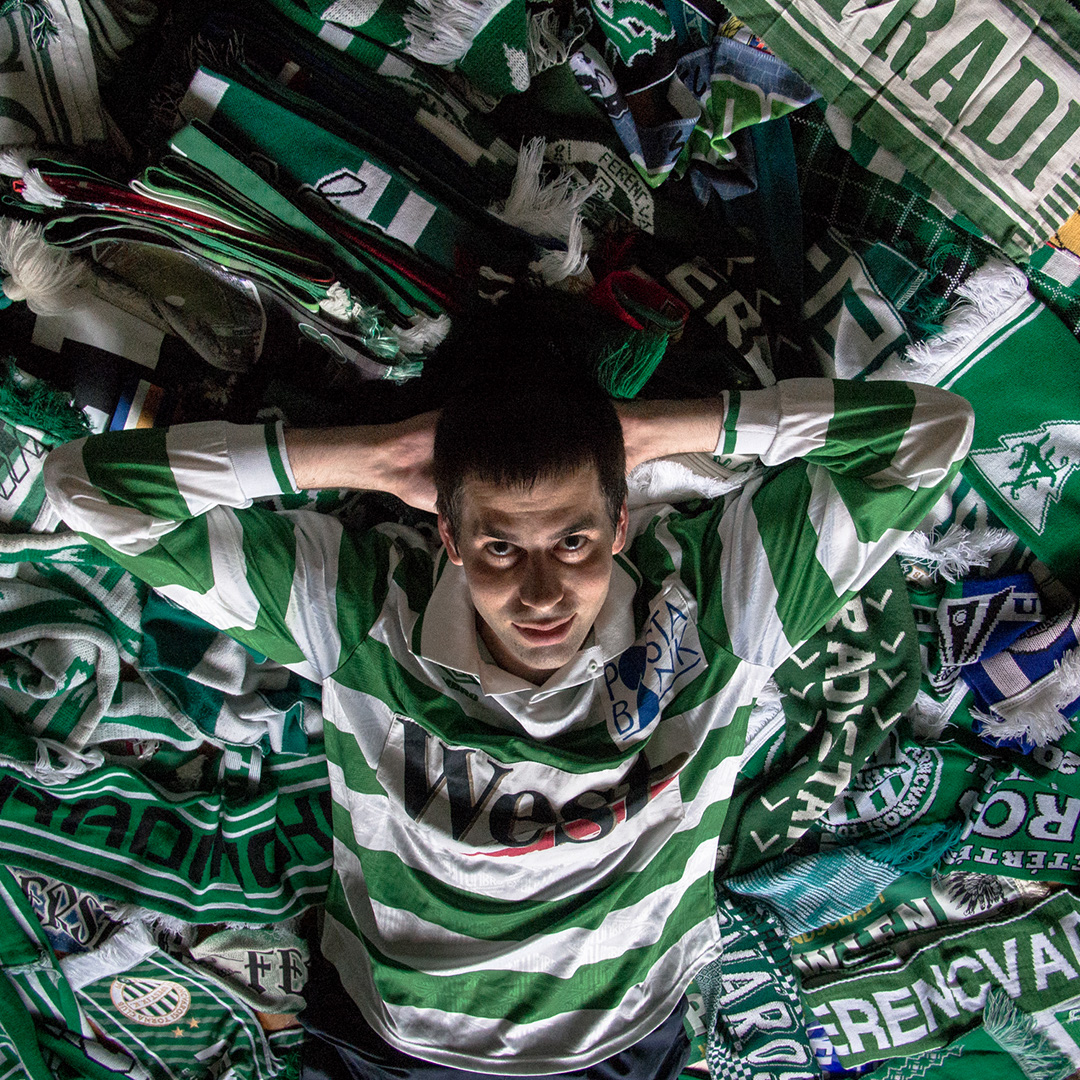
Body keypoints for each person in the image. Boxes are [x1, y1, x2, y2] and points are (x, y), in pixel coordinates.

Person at [43, 366, 973, 1079]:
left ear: (618, 526)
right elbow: (86, 486)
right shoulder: (361, 605)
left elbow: (935, 431)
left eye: (573, 541)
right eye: (498, 547)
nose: (540, 593)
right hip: (395, 1038)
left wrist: (648, 433)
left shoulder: (721, 601)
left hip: (618, 1038)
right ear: (446, 535)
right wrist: (372, 456)